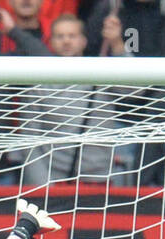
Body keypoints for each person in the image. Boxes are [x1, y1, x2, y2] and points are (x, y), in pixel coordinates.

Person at [21, 14, 136, 184]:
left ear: (83, 41)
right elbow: (30, 140)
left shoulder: (102, 73)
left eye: (72, 36)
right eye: (60, 36)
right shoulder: (39, 84)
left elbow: (134, 90)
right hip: (56, 181)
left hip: (102, 179)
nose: (66, 41)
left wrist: (117, 44)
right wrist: (43, 187)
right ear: (50, 42)